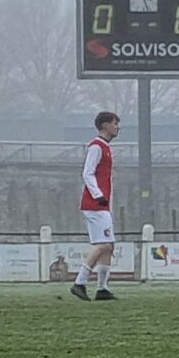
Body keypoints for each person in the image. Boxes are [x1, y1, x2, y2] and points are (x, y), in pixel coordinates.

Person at [74, 110, 120, 302]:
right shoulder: (97, 146)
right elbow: (87, 173)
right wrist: (98, 195)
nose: (118, 127)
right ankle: (79, 283)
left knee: (108, 246)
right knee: (103, 244)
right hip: (95, 204)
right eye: (115, 123)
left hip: (102, 204)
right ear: (105, 126)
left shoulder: (106, 147)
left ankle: (102, 288)